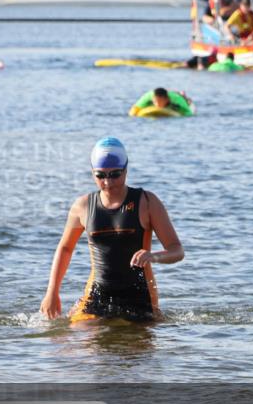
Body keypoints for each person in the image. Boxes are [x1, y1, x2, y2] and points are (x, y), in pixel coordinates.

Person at [40, 137, 184, 323]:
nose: (108, 182)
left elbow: (177, 250)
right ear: (92, 173)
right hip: (97, 295)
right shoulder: (83, 206)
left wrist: (153, 256)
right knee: (72, 344)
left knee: (137, 349)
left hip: (140, 298)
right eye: (100, 175)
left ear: (126, 170)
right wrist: (52, 292)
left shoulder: (147, 202)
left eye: (115, 174)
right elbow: (65, 248)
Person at [129, 88, 196, 117]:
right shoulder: (148, 97)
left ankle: (182, 94)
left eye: (160, 101)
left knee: (186, 100)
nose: (157, 104)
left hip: (175, 96)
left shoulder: (176, 99)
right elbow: (135, 108)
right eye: (155, 101)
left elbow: (188, 112)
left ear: (166, 99)